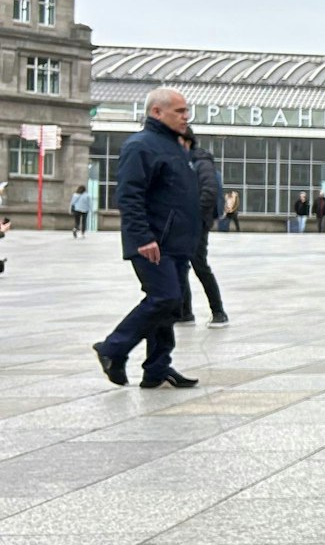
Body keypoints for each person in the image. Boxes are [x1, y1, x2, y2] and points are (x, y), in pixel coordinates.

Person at [92, 87, 204, 389]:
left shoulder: (175, 147)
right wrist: (143, 237)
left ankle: (157, 368)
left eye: (186, 110)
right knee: (164, 297)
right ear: (157, 112)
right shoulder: (141, 146)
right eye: (179, 111)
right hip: (153, 242)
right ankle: (112, 348)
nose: (186, 116)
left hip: (177, 242)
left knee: (171, 303)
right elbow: (129, 196)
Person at [174, 127, 228, 326]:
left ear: (185, 141)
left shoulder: (201, 161)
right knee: (180, 266)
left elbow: (209, 191)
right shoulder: (181, 161)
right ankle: (185, 312)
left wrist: (195, 217)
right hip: (181, 223)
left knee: (200, 266)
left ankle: (219, 312)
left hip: (197, 224)